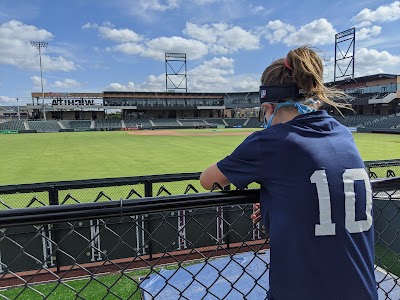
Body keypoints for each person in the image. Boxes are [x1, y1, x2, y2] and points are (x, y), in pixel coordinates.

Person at [199, 46, 378, 300]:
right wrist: (283, 201)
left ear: (269, 106)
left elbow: (208, 180)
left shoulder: (271, 142)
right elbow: (325, 191)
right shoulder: (342, 133)